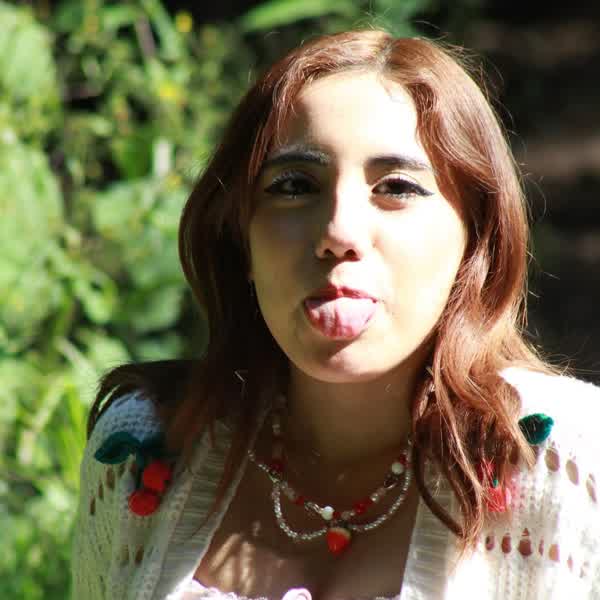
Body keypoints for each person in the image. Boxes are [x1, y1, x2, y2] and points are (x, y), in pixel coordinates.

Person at [71, 29, 600, 600]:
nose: (339, 232)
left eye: (396, 187)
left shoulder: (564, 462)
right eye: (294, 186)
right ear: (240, 239)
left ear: (476, 239)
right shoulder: (143, 449)